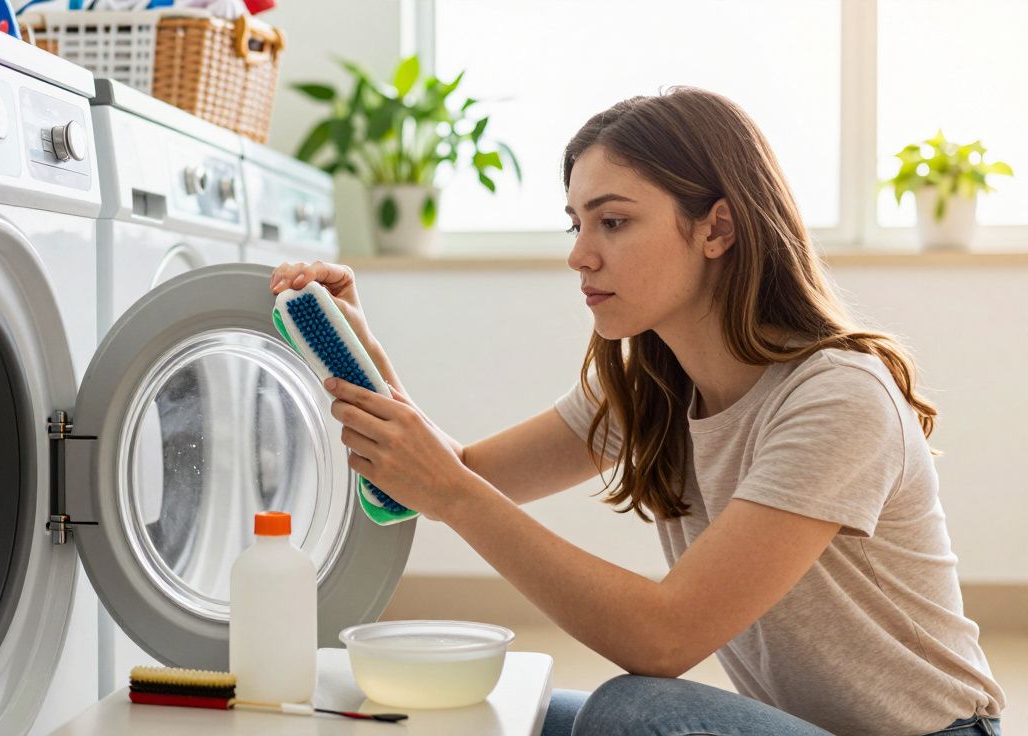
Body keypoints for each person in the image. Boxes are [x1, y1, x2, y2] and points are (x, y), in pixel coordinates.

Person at [268, 87, 1005, 736]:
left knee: (634, 712)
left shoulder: (837, 395)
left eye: (613, 222)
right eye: (576, 224)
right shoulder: (652, 386)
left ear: (717, 229)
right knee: (506, 709)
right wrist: (360, 352)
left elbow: (663, 640)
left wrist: (454, 494)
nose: (579, 255)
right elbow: (448, 476)